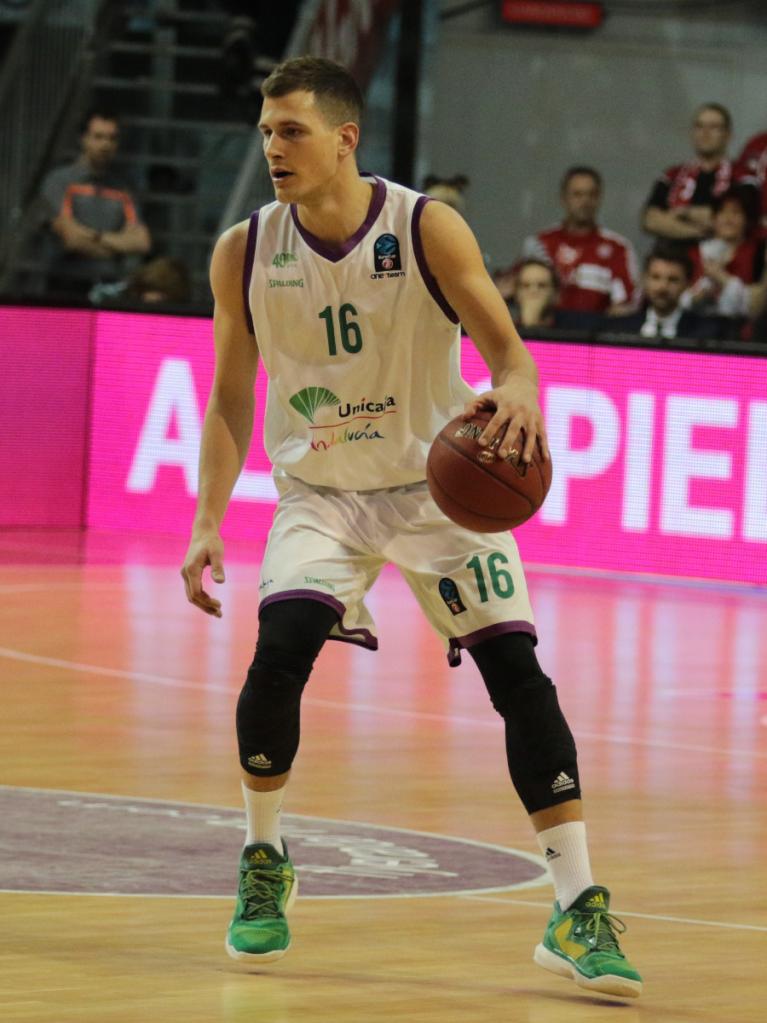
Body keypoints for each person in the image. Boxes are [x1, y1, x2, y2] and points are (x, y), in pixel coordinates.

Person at [180, 56, 642, 999]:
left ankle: (576, 903)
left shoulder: (425, 226)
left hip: (438, 488)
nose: (274, 148)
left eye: (292, 131)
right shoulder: (244, 248)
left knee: (518, 672)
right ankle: (263, 860)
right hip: (322, 492)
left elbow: (510, 357)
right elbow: (231, 399)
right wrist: (206, 520)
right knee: (281, 649)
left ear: (345, 137)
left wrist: (520, 391)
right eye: (266, 131)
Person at [39, 109, 151, 296]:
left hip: (110, 287)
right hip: (65, 285)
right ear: (83, 138)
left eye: (112, 138)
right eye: (98, 137)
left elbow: (141, 242)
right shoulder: (59, 181)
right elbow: (72, 239)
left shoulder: (123, 188)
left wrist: (95, 236)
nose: (105, 144)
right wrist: (117, 244)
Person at [506, 166, 638, 315]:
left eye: (592, 195)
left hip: (594, 334)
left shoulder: (618, 248)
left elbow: (629, 303)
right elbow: (512, 288)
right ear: (563, 198)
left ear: (600, 198)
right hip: (544, 333)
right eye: (577, 194)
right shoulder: (541, 243)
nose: (585, 201)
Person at [642, 103, 752, 243]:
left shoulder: (743, 177)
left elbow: (736, 221)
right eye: (699, 126)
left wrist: (684, 214)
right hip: (673, 260)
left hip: (720, 260)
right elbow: (650, 220)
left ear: (728, 135)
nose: (705, 133)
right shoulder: (673, 175)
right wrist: (698, 232)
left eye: (713, 127)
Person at [684, 187, 767, 329]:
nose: (728, 219)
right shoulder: (694, 253)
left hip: (741, 332)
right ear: (714, 218)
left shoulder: (758, 253)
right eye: (722, 212)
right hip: (695, 329)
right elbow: (677, 300)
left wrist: (721, 277)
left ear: (747, 219)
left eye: (736, 212)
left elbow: (756, 305)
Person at [604, 245, 722, 341]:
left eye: (673, 280)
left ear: (687, 285)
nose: (663, 287)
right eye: (656, 277)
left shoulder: (704, 334)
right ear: (644, 279)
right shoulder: (621, 329)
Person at [506, 258, 600, 334]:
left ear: (556, 295)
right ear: (516, 294)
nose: (533, 291)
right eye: (526, 286)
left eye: (542, 286)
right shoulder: (505, 331)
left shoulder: (574, 332)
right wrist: (527, 326)